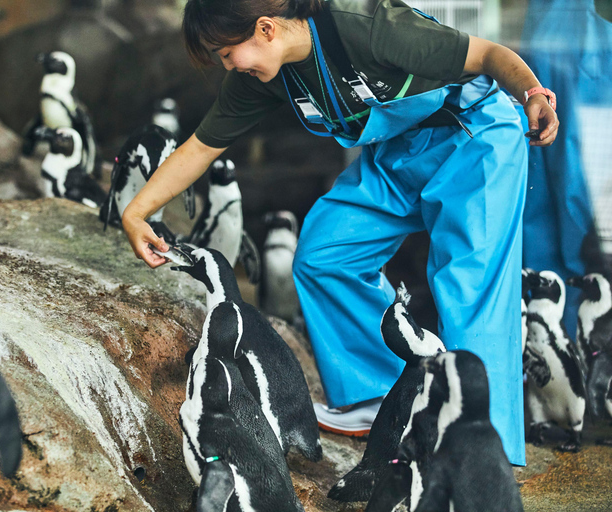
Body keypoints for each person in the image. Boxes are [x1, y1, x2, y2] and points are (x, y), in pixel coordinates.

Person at [121, 0, 558, 466]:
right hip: (399, 154)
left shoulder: (368, 26)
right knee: (324, 253)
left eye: (226, 53)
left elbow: (490, 54)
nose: (228, 65)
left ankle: (476, 446)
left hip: (474, 138)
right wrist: (138, 211)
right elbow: (201, 147)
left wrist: (533, 93)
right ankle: (385, 396)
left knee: (468, 285)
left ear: (265, 29)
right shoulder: (263, 78)